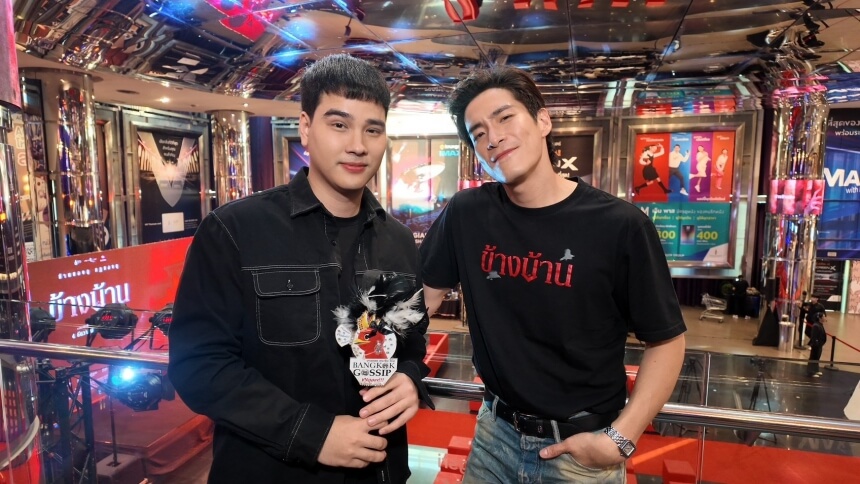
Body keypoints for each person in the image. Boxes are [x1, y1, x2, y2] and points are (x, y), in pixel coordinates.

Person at [168, 54, 433, 484]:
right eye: (339, 124)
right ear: (306, 128)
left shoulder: (398, 241)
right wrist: (312, 434)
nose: (358, 145)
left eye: (373, 129)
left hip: (380, 471)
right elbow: (199, 365)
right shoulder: (235, 230)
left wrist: (409, 376)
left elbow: (412, 340)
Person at [420, 65, 687, 483]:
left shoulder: (620, 225)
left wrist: (621, 438)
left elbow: (667, 341)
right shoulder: (467, 213)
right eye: (478, 133)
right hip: (494, 437)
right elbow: (421, 298)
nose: (494, 138)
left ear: (543, 120)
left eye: (505, 118)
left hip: (581, 451)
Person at [806, 311, 827, 377]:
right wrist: (816, 344)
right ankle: (811, 372)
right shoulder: (816, 326)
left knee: (817, 358)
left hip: (819, 345)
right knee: (813, 358)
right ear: (820, 318)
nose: (825, 318)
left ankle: (815, 370)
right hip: (816, 345)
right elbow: (814, 337)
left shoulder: (820, 325)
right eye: (823, 316)